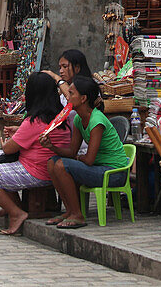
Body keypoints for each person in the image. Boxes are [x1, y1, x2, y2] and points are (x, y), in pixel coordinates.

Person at [0, 73, 71, 234]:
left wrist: (7, 142)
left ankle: (16, 212)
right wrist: (19, 132)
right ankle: (14, 206)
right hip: (45, 166)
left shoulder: (35, 120)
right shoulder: (60, 116)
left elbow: (9, 149)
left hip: (36, 170)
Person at [41, 76, 129, 229]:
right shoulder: (78, 120)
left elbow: (88, 160)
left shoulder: (96, 121)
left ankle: (78, 214)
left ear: (83, 98)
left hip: (113, 173)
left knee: (62, 165)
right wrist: (51, 147)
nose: (68, 97)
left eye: (71, 93)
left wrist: (76, 158)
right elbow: (71, 151)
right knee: (52, 162)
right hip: (98, 167)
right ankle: (69, 211)